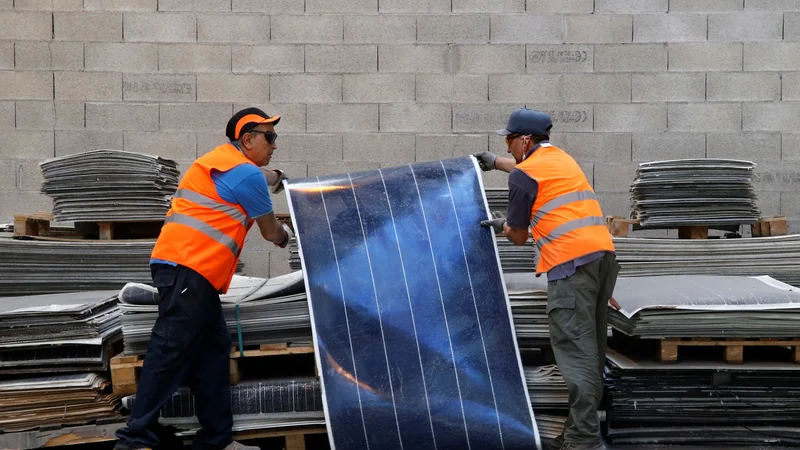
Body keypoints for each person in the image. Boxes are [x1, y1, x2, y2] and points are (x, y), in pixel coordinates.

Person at [115, 107, 294, 450]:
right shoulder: (246, 175)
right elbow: (270, 231)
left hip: (191, 274)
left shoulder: (224, 161)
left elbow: (257, 175)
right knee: (169, 351)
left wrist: (277, 176)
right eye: (269, 138)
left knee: (212, 352)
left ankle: (215, 440)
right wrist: (290, 235)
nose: (274, 144)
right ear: (247, 139)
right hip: (189, 271)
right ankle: (133, 439)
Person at [475, 108, 620, 450]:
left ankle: (583, 440)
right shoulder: (560, 159)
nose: (508, 146)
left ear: (525, 140)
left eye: (509, 140)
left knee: (576, 353)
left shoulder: (523, 176)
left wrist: (500, 225)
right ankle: (578, 432)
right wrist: (495, 162)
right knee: (592, 352)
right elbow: (530, 172)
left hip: (571, 268)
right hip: (602, 260)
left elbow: (519, 236)